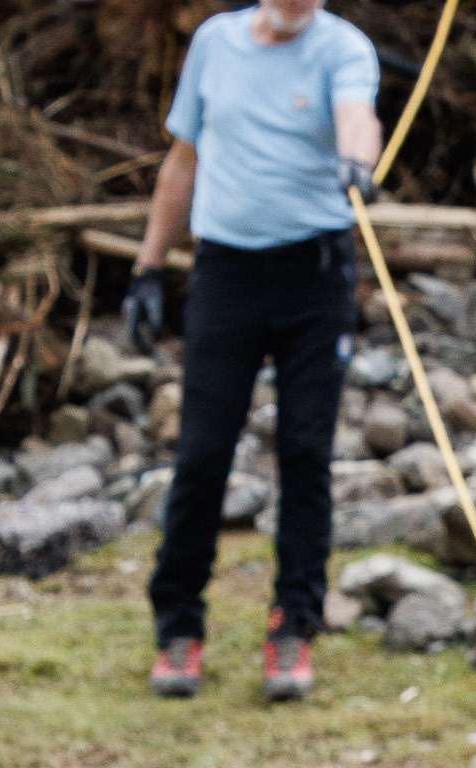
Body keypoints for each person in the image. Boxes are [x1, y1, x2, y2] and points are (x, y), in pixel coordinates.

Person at [130, 0, 381, 704]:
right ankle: (178, 625)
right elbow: (183, 160)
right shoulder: (214, 44)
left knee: (304, 451)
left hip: (316, 276)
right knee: (203, 453)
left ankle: (294, 623)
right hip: (226, 278)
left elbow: (357, 116)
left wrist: (359, 161)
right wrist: (149, 269)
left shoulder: (342, 48)